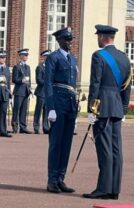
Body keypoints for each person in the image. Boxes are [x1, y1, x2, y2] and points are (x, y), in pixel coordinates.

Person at [82, 25, 132, 200]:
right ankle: (114, 189)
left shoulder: (98, 55)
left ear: (103, 37)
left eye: (98, 36)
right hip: (117, 107)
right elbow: (127, 87)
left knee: (104, 149)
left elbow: (95, 84)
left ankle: (103, 188)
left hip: (102, 106)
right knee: (116, 149)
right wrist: (124, 109)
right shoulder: (125, 58)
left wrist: (91, 109)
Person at [44, 27, 78, 193]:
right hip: (57, 102)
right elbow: (48, 83)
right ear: (59, 40)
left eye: (71, 39)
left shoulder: (73, 60)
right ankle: (52, 180)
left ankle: (61, 178)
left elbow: (73, 85)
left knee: (66, 143)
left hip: (70, 103)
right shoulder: (53, 58)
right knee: (56, 143)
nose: (70, 42)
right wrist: (50, 108)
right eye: (67, 39)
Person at [12, 48, 33, 134]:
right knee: (17, 109)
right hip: (19, 90)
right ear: (20, 56)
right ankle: (15, 126)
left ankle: (23, 127)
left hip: (26, 90)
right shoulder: (16, 67)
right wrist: (21, 80)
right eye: (24, 55)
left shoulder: (27, 67)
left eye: (27, 55)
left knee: (24, 110)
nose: (26, 57)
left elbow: (29, 79)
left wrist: (30, 88)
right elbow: (14, 79)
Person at [33, 49, 51, 134]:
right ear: (43, 57)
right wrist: (47, 82)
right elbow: (38, 80)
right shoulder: (39, 67)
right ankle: (36, 126)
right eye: (46, 56)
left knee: (46, 111)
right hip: (41, 92)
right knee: (38, 110)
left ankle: (46, 127)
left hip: (48, 93)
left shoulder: (51, 67)